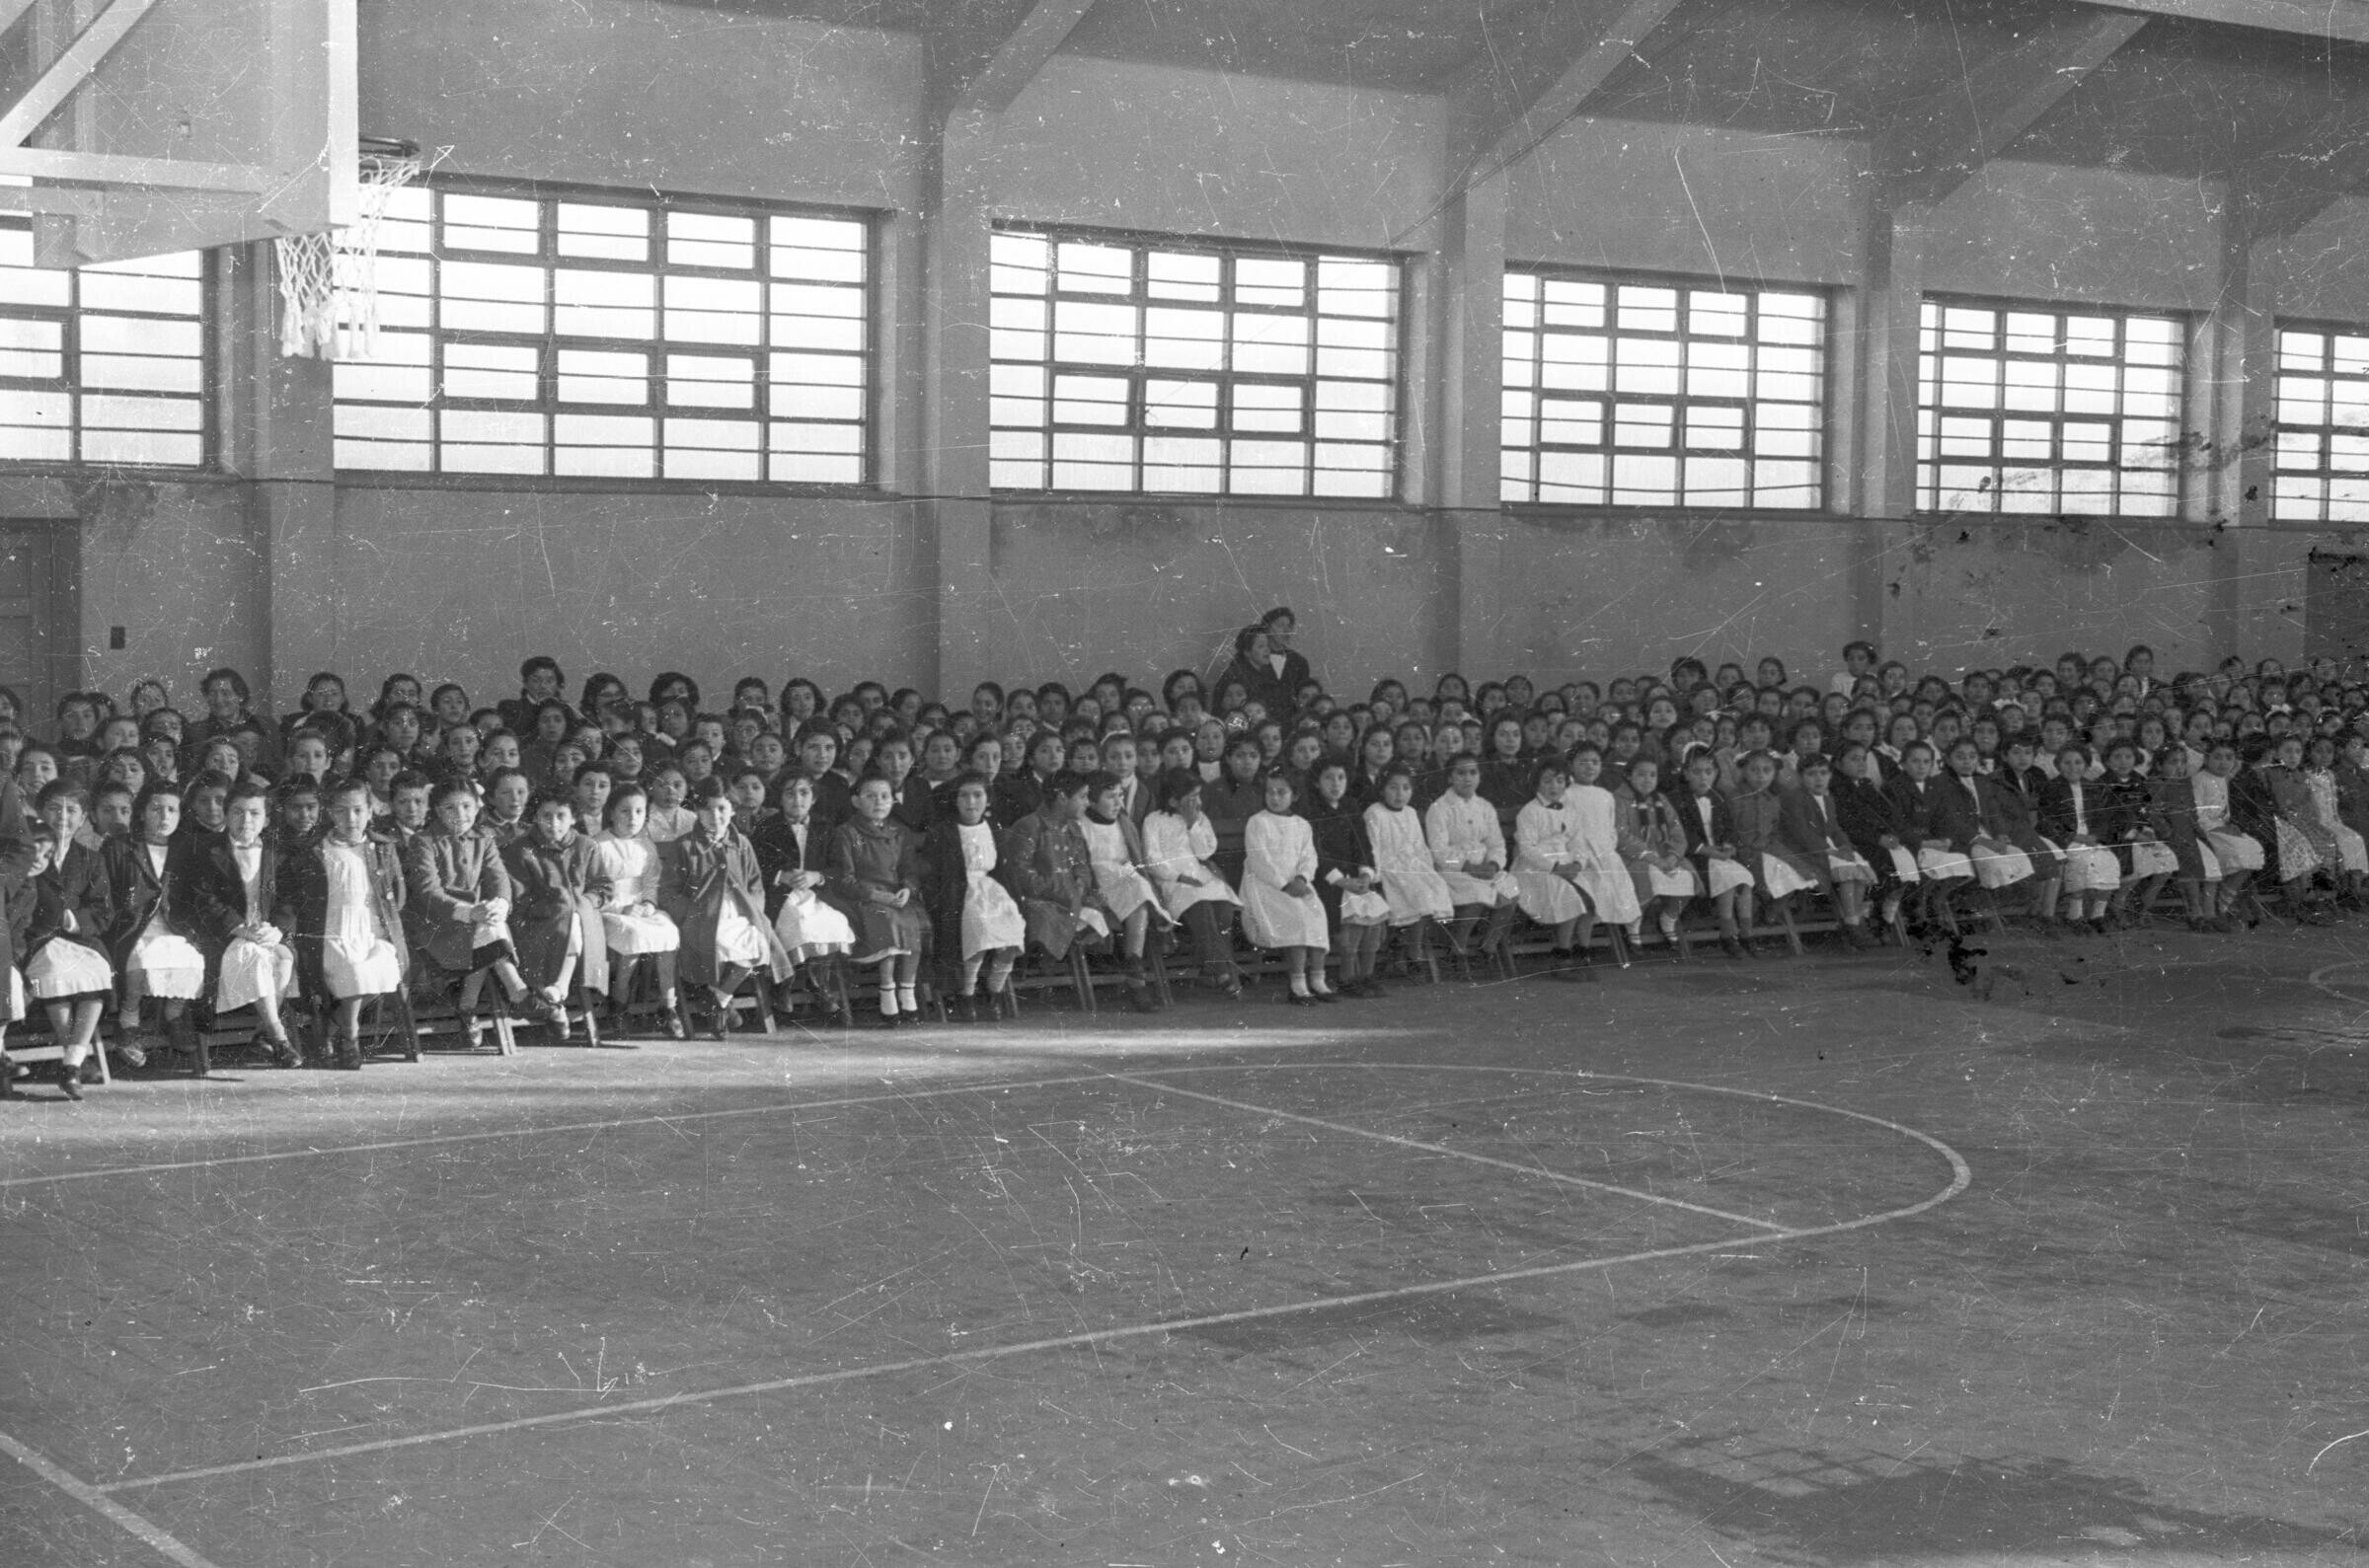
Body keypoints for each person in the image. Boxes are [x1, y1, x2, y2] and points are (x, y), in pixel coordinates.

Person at [280, 778, 409, 1070]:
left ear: (370, 811)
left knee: (385, 970)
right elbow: (301, 899)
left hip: (373, 933)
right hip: (333, 935)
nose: (351, 818)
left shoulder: (382, 848)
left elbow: (397, 894)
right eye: (341, 811)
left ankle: (333, 1026)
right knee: (354, 972)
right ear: (329, 812)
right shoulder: (317, 851)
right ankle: (350, 1038)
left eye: (358, 810)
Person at [179, 779, 300, 1066]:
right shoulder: (208, 850)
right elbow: (205, 899)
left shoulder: (278, 852)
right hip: (226, 935)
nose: (246, 820)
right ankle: (278, 1037)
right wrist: (239, 927)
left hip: (266, 932)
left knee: (284, 959)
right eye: (238, 812)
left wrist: (277, 928)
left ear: (266, 819)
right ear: (225, 814)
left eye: (254, 813)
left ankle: (263, 1034)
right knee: (252, 955)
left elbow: (290, 897)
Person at [403, 778, 537, 1036]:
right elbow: (428, 891)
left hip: (474, 922)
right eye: (450, 808)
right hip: (436, 923)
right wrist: (468, 911)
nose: (460, 814)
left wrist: (500, 902)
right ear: (437, 811)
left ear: (477, 807)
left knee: (490, 919)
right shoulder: (423, 841)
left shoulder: (483, 838)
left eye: (466, 806)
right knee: (486, 926)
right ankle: (516, 990)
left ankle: (468, 1005)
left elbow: (498, 877)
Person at [101, 782, 209, 1075]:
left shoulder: (185, 849)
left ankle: (174, 1014)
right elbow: (107, 895)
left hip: (174, 928)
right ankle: (129, 1020)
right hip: (133, 927)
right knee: (141, 960)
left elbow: (195, 897)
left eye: (172, 810)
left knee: (193, 960)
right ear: (141, 813)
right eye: (156, 808)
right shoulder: (121, 847)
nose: (164, 816)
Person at [21, 804, 113, 1096]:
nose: (62, 817)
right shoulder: (26, 857)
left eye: (71, 810)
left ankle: (72, 1062)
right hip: (37, 941)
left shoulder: (90, 858)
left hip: (79, 939)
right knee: (54, 969)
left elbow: (102, 910)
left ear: (84, 818)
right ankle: (76, 1062)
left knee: (96, 972)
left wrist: (73, 920)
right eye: (54, 809)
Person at [827, 769, 931, 1026]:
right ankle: (887, 992)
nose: (879, 802)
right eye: (871, 796)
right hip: (863, 897)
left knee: (916, 920)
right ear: (856, 801)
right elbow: (844, 880)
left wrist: (907, 888)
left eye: (885, 796)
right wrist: (877, 896)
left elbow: (909, 871)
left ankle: (907, 990)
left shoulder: (899, 833)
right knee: (888, 920)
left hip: (896, 896)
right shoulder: (847, 833)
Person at [919, 772, 1026, 1020]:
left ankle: (994, 991)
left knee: (1012, 933)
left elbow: (1004, 870)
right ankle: (966, 993)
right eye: (964, 796)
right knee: (979, 929)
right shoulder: (944, 831)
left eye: (978, 795)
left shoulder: (995, 829)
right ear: (955, 800)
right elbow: (932, 874)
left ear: (988, 799)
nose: (971, 802)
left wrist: (1014, 899)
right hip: (957, 892)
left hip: (992, 890)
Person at [501, 790, 610, 1031]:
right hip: (536, 921)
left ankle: (558, 990)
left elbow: (602, 887)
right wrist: (555, 905)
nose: (554, 823)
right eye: (546, 816)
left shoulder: (586, 845)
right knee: (565, 910)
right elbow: (518, 898)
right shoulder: (521, 849)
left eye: (561, 816)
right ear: (535, 817)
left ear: (574, 818)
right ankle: (557, 994)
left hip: (579, 921)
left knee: (574, 913)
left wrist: (583, 902)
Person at [587, 783, 684, 1035]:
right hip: (609, 912)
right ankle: (619, 1002)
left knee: (668, 930)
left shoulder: (645, 845)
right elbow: (594, 888)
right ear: (611, 813)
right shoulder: (598, 846)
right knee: (633, 935)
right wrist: (621, 908)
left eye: (639, 812)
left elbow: (652, 880)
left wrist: (649, 903)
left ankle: (668, 1006)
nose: (633, 818)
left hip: (641, 907)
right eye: (625, 811)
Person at [1142, 769, 1244, 997]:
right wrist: (1178, 877)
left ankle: (1212, 971)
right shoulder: (1154, 820)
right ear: (1173, 801)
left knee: (1224, 910)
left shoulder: (1199, 818)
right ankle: (1224, 972)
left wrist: (1192, 824)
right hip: (1172, 881)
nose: (1197, 802)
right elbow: (1152, 859)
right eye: (1191, 798)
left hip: (1199, 875)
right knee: (1202, 908)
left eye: (1198, 795)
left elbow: (1205, 852)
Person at [1240, 770, 1335, 1005]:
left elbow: (1309, 857)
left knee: (1317, 915)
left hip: (1297, 884)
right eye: (1270, 792)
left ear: (1295, 796)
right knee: (1298, 917)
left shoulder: (1302, 825)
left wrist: (1302, 878)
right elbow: (1259, 861)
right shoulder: (1258, 822)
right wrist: (1284, 885)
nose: (1274, 797)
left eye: (1281, 792)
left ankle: (1318, 979)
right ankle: (1298, 985)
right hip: (1266, 886)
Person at [1078, 771, 1167, 1011]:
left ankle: (1134, 965)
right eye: (1110, 797)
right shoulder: (1082, 825)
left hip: (1124, 879)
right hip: (1097, 883)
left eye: (1120, 796)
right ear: (1092, 801)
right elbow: (1082, 863)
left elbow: (1134, 858)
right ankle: (1135, 970)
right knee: (1137, 889)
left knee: (1139, 888)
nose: (1118, 802)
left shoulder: (1123, 822)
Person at [1424, 753, 1521, 970]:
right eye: (1460, 773)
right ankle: (1457, 947)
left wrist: (1493, 865)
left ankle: (1488, 946)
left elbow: (1496, 843)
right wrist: (1467, 866)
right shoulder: (1439, 808)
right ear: (1450, 777)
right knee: (1476, 894)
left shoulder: (1485, 807)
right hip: (1453, 870)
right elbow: (1439, 850)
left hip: (1484, 869)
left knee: (1510, 888)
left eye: (1472, 772)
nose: (1467, 778)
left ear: (1479, 777)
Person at [1303, 757, 1390, 997]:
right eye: (1328, 778)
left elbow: (1363, 845)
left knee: (1373, 919)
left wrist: (1365, 874)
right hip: (1326, 881)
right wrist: (1341, 880)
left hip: (1354, 880)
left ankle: (1367, 975)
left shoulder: (1350, 806)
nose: (1335, 783)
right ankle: (1347, 977)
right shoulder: (1311, 810)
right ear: (1317, 782)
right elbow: (1315, 852)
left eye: (1340, 777)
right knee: (1353, 922)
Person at [1612, 754, 1697, 952]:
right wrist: (1654, 859)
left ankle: (1668, 918)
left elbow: (1677, 832)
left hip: (1664, 856)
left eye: (1652, 775)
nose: (1648, 779)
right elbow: (1622, 837)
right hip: (1632, 857)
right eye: (1641, 774)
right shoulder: (1619, 800)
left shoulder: (1661, 800)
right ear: (1629, 776)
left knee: (1687, 876)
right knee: (1649, 875)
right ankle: (1633, 922)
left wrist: (1673, 856)